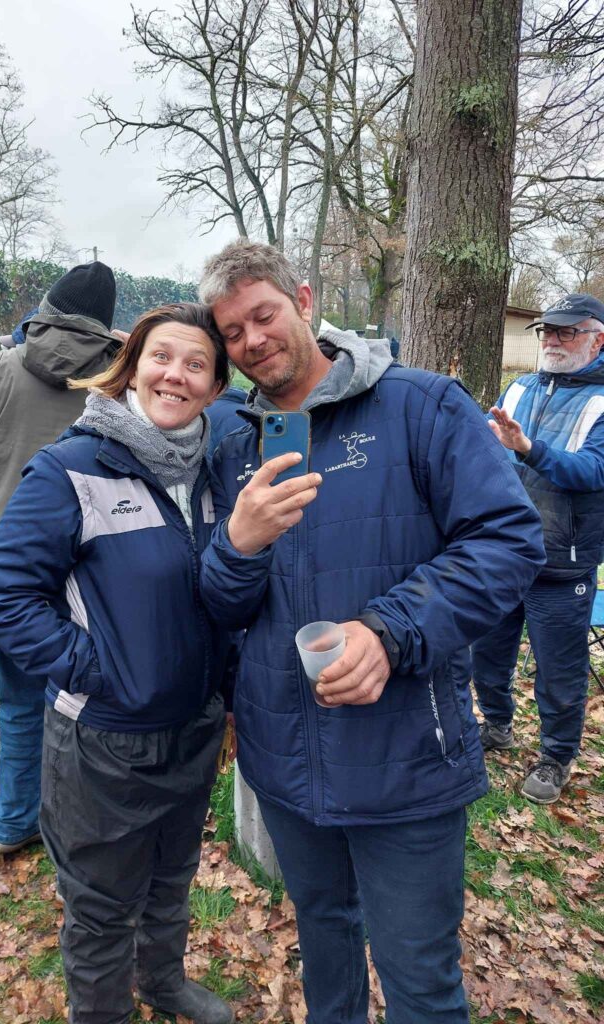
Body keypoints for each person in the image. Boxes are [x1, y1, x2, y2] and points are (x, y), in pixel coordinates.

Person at [197, 240, 546, 1024]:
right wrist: (237, 548)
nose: (253, 340)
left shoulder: (421, 407)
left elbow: (509, 541)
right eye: (232, 332)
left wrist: (388, 631)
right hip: (285, 758)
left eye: (264, 315)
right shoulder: (232, 449)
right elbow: (221, 607)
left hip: (405, 755)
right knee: (323, 938)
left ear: (304, 301)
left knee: (419, 977)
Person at [0, 303, 235, 1024]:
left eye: (196, 364)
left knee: (172, 877)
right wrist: (97, 670)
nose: (175, 375)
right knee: (100, 908)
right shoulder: (73, 468)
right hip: (104, 744)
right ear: (132, 368)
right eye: (161, 357)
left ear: (216, 387)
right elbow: (0, 595)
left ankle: (162, 981)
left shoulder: (215, 475)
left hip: (192, 729)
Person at [0, 261, 122, 854]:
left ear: (48, 308)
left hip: (8, 561)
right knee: (89, 703)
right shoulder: (119, 376)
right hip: (92, 564)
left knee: (19, 702)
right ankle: (77, 820)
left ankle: (15, 818)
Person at [471, 293, 604, 804]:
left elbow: (592, 471)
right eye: (548, 330)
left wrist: (528, 448)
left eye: (567, 331)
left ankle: (556, 757)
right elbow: (488, 450)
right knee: (488, 653)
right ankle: (497, 725)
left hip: (562, 565)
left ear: (597, 339)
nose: (552, 340)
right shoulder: (519, 387)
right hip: (504, 554)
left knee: (559, 671)